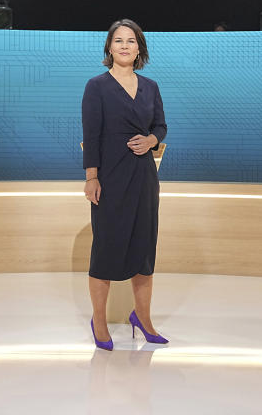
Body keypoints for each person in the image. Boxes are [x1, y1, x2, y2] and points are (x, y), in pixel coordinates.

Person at [82, 19, 168, 350]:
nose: (124, 45)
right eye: (118, 40)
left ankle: (142, 319)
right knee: (105, 249)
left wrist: (151, 140)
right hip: (111, 178)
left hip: (144, 177)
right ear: (109, 47)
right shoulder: (97, 86)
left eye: (131, 41)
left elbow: (161, 125)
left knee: (144, 252)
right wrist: (92, 177)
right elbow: (90, 136)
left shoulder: (151, 86)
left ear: (139, 49)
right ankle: (99, 321)